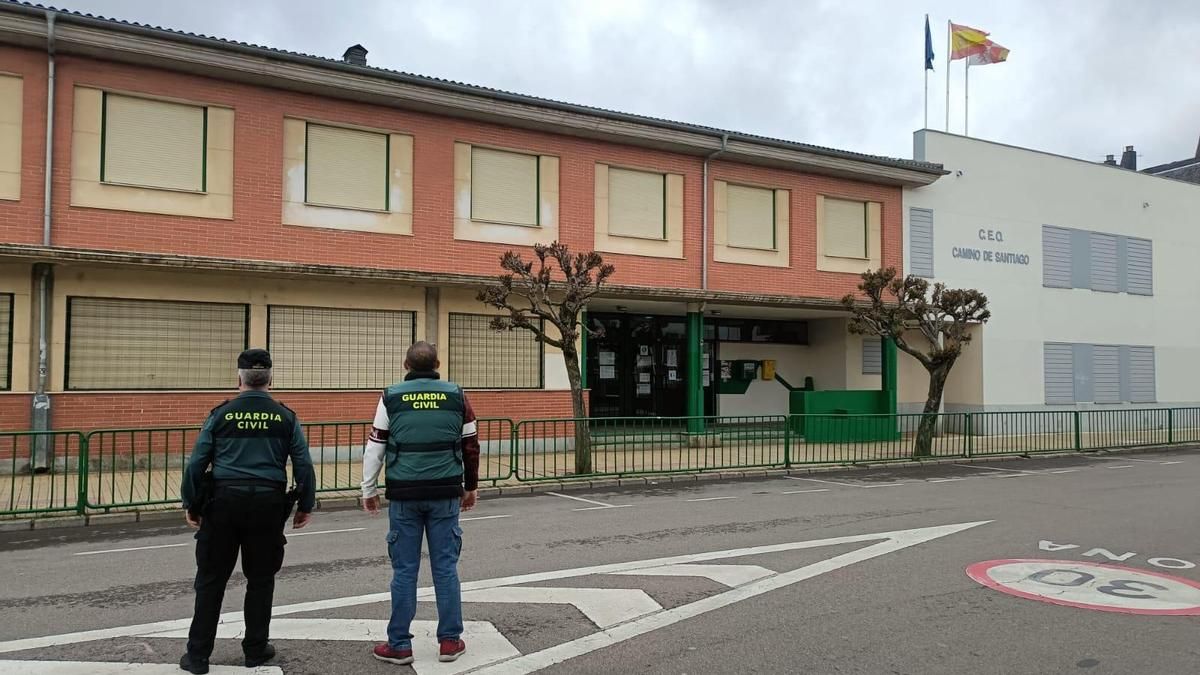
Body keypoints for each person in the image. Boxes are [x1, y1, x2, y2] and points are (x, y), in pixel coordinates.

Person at [179, 348, 316, 675]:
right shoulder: (286, 416)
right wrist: (305, 505)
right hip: (267, 507)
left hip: (223, 504)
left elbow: (197, 463)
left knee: (211, 580)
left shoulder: (221, 414)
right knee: (261, 579)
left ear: (238, 377)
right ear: (270, 377)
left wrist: (191, 503)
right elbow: (304, 465)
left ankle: (198, 656)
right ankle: (255, 649)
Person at [362, 341, 480, 666]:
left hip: (404, 495)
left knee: (404, 571)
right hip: (445, 492)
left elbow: (376, 447)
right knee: (445, 569)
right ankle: (450, 642)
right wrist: (470, 487)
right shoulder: (456, 394)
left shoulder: (391, 396)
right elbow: (471, 445)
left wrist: (368, 489)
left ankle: (399, 644)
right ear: (437, 363)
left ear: (406, 365)